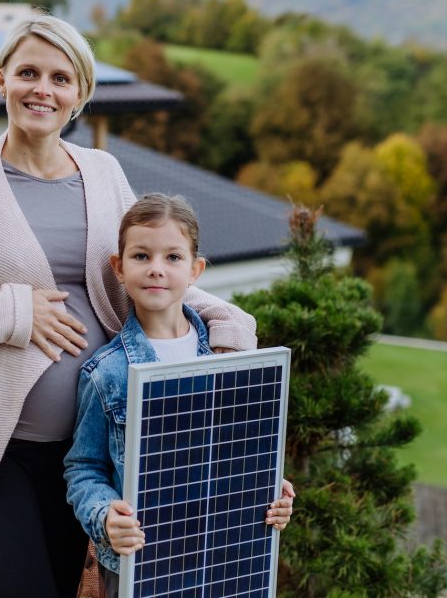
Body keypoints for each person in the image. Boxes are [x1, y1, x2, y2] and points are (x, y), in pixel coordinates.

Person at [0, 14, 266, 598]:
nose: (43, 89)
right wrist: (12, 315)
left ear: (80, 94)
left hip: (88, 452)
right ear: (1, 78)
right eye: (28, 73)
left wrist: (222, 318)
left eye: (61, 78)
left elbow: (151, 267)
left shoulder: (104, 172)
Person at [64, 194, 296, 597]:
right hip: (140, 564)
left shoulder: (230, 361)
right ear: (119, 268)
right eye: (141, 256)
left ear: (195, 270)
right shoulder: (107, 373)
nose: (156, 269)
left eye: (172, 257)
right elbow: (83, 468)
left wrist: (272, 492)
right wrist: (105, 516)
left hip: (225, 557)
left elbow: (244, 454)